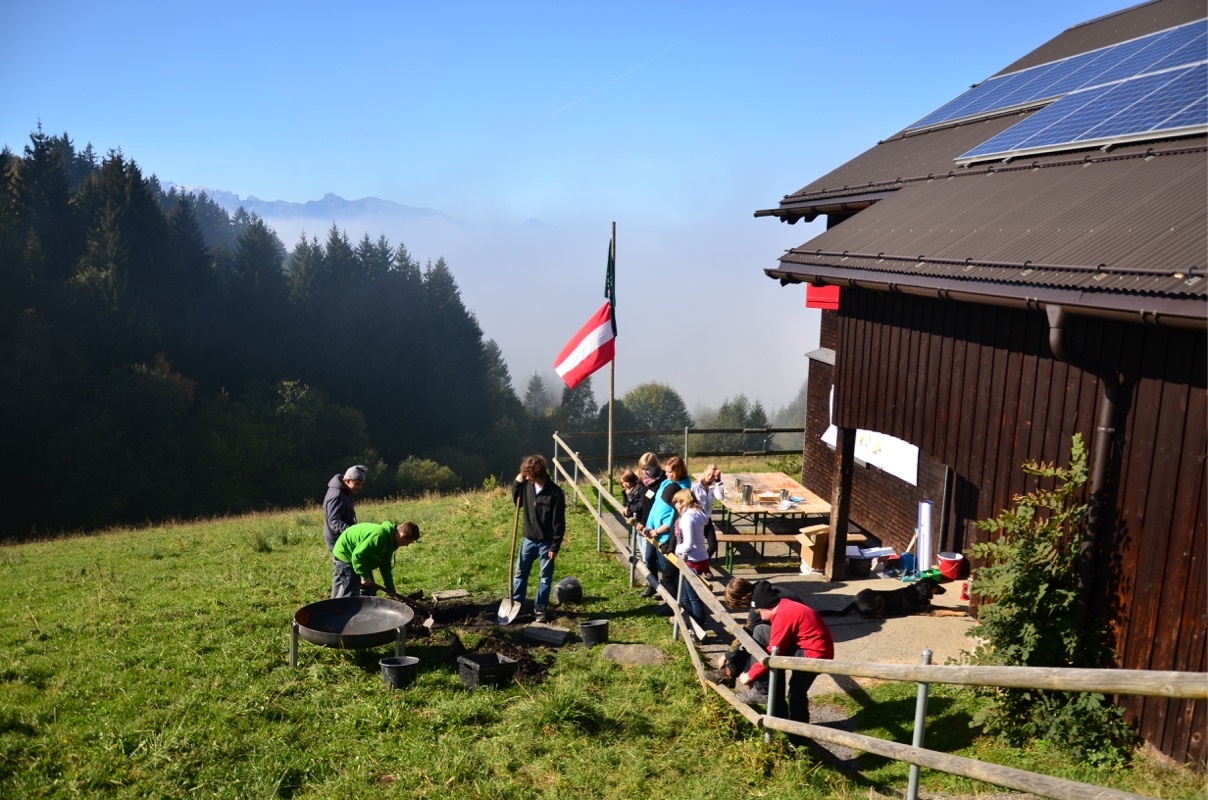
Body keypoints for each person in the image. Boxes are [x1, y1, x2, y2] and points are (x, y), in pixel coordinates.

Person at [735, 581, 834, 748]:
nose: (760, 616)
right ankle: (774, 705)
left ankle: (798, 739)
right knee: (760, 630)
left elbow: (774, 653)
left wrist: (750, 675)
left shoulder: (783, 615)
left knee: (796, 692)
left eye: (759, 611)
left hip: (815, 656)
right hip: (806, 648)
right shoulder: (784, 606)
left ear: (765, 607)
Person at [510, 454, 566, 623]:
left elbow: (559, 522)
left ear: (537, 474)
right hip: (528, 539)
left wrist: (555, 546)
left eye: (529, 475)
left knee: (544, 577)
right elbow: (518, 502)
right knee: (520, 574)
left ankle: (540, 608)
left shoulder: (555, 493)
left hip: (546, 542)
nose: (527, 477)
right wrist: (517, 482)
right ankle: (517, 603)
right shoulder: (526, 486)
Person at [641, 455, 692, 607]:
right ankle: (658, 590)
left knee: (668, 573)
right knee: (650, 560)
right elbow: (656, 505)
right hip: (654, 532)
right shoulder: (665, 483)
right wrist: (649, 526)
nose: (667, 474)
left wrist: (657, 531)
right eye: (667, 471)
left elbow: (674, 518)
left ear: (678, 471)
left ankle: (675, 604)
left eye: (670, 472)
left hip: (666, 537)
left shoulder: (683, 489)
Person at [331, 520, 421, 598]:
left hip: (361, 557)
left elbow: (385, 564)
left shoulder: (391, 542)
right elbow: (358, 555)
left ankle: (363, 610)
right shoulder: (379, 536)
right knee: (350, 593)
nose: (407, 545)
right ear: (403, 536)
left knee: (370, 591)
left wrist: (389, 586)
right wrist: (364, 576)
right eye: (408, 542)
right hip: (346, 553)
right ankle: (342, 611)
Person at [324, 465, 366, 597]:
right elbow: (334, 522)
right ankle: (343, 605)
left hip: (343, 540)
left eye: (361, 484)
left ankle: (334, 604)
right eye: (357, 484)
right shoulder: (336, 496)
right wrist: (353, 533)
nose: (360, 487)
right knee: (347, 578)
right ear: (347, 480)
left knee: (339, 576)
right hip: (339, 542)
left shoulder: (344, 491)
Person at [671, 489, 711, 624]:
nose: (675, 505)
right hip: (700, 557)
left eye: (677, 502)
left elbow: (688, 543)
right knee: (686, 596)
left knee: (692, 597)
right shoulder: (697, 513)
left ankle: (698, 627)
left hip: (693, 560)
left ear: (684, 501)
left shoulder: (688, 517)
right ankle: (690, 624)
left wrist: (677, 550)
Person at [630, 453, 665, 598]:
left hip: (660, 527)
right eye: (642, 469)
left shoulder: (662, 482)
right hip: (647, 525)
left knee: (663, 561)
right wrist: (642, 522)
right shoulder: (644, 482)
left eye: (648, 469)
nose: (645, 472)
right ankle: (653, 585)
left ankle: (666, 589)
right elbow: (645, 505)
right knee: (649, 558)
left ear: (656, 467)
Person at [690, 463, 723, 558]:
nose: (710, 477)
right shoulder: (695, 486)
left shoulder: (713, 487)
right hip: (696, 520)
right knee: (694, 546)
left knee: (713, 546)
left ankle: (704, 562)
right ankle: (695, 563)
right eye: (708, 474)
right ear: (704, 472)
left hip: (707, 520)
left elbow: (720, 497)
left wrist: (718, 480)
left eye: (713, 476)